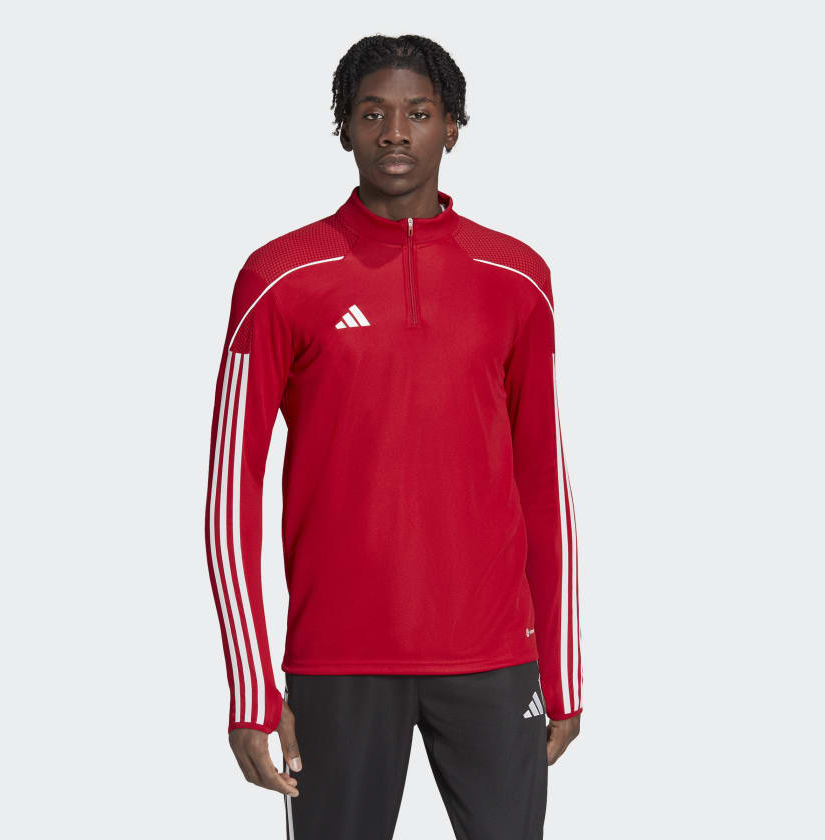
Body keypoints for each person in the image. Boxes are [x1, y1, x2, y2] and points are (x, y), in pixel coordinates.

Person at [204, 33, 582, 840]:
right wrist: (249, 687)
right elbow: (229, 493)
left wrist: (564, 670)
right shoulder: (279, 277)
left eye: (419, 112)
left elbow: (542, 482)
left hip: (494, 659)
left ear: (453, 127)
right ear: (343, 127)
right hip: (338, 662)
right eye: (372, 113)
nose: (396, 133)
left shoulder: (516, 277)